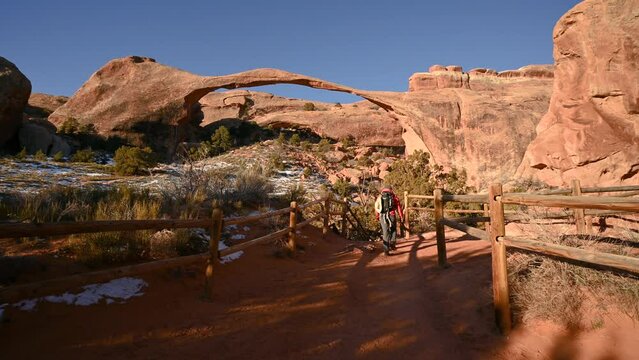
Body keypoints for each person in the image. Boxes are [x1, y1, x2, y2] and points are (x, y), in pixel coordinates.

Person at [374, 184, 404, 255]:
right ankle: (393, 244)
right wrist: (401, 216)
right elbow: (399, 208)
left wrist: (377, 216)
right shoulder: (394, 196)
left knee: (385, 232)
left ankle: (386, 250)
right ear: (391, 189)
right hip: (392, 215)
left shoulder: (380, 196)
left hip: (382, 216)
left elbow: (376, 207)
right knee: (393, 229)